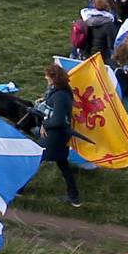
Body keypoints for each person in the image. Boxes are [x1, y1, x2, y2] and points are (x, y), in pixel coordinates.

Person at [39, 61, 82, 208]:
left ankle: (18, 189)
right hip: (58, 136)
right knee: (63, 164)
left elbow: (57, 120)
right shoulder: (60, 92)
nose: (46, 79)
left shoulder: (61, 96)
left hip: (54, 137)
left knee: (36, 160)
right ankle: (74, 197)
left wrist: (45, 124)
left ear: (53, 78)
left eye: (47, 77)